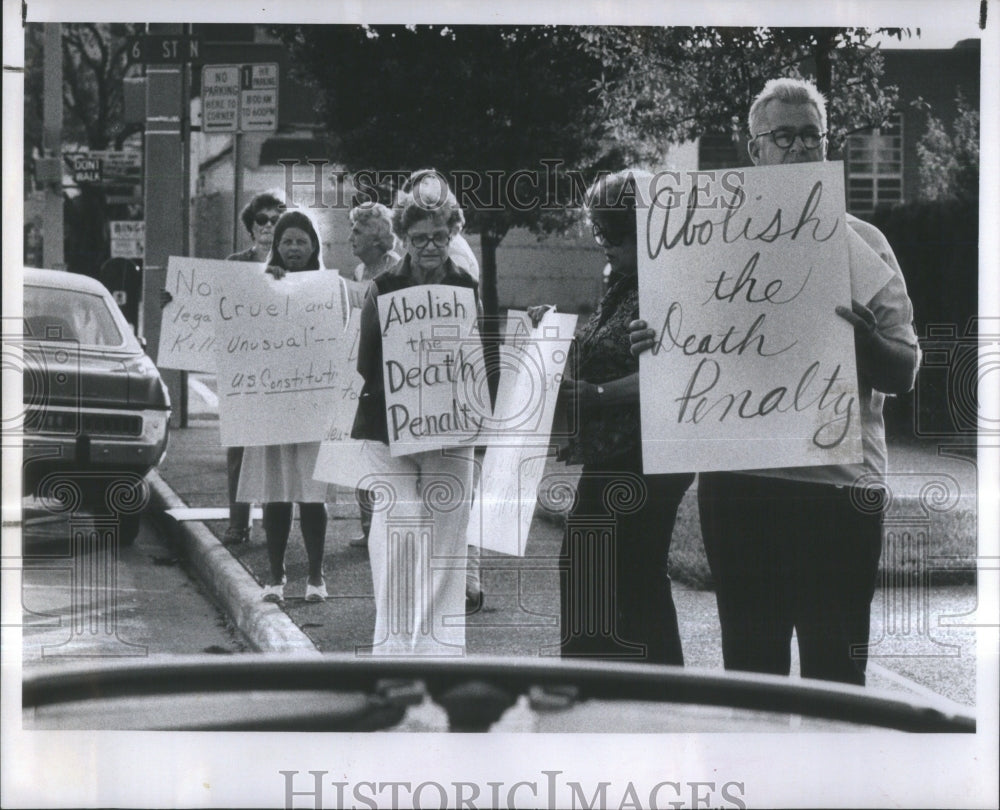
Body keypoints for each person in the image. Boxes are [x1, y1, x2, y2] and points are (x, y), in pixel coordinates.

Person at [630, 77, 921, 685]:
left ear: (826, 145)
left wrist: (866, 344)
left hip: (840, 492)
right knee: (750, 676)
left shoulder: (864, 245)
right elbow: (687, 353)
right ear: (753, 149)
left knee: (836, 677)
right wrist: (656, 348)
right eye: (782, 136)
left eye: (810, 136)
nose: (797, 148)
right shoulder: (702, 245)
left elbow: (906, 370)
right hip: (743, 487)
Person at [553, 169, 695, 665]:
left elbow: (676, 376)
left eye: (615, 231)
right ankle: (608, 692)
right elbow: (604, 350)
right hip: (614, 451)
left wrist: (592, 395)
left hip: (648, 455)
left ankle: (648, 700)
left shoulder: (672, 284)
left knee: (629, 577)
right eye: (599, 230)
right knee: (602, 572)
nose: (604, 242)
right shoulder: (624, 282)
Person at [351, 186, 481, 654]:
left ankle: (439, 653)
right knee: (396, 536)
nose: (430, 245)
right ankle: (393, 651)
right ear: (403, 236)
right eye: (421, 236)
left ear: (453, 235)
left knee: (448, 545)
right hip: (390, 431)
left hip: (450, 431)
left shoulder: (466, 286)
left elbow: (477, 361)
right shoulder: (381, 288)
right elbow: (362, 363)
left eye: (440, 236)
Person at [237, 210, 331, 603]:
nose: (293, 248)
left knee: (312, 494)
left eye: (301, 241)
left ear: (314, 247)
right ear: (276, 246)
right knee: (275, 493)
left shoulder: (329, 287)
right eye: (286, 241)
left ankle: (316, 576)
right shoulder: (257, 285)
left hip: (311, 404)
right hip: (270, 404)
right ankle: (274, 576)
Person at [223, 191, 286, 546]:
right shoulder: (234, 264)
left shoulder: (296, 264)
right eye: (261, 220)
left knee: (279, 451)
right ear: (251, 227)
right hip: (243, 371)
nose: (267, 226)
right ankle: (238, 522)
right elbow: (208, 307)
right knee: (239, 450)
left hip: (281, 373)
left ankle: (275, 522)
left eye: (275, 220)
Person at [347, 203, 401, 549]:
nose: (351, 237)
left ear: (379, 239)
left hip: (388, 372)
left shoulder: (395, 270)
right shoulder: (358, 272)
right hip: (361, 367)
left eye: (358, 231)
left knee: (384, 451)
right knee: (360, 450)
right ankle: (367, 526)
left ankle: (383, 525)